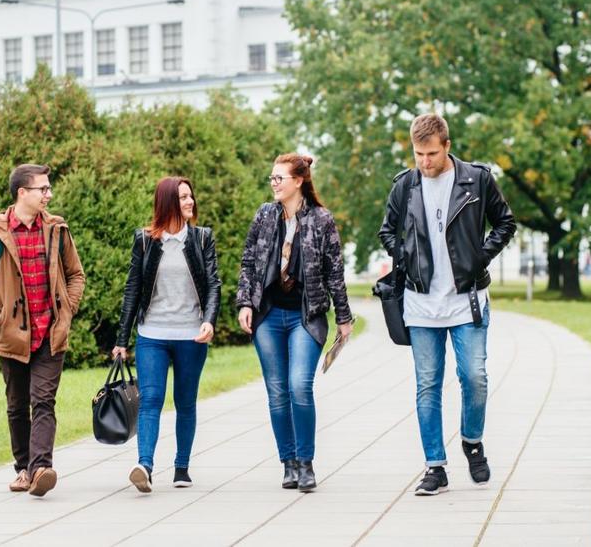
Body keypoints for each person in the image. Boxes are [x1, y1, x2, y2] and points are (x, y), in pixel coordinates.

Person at [378, 113, 516, 495]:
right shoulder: (405, 185)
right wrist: (405, 256)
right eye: (418, 154)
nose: (424, 162)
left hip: (467, 299)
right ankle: (434, 467)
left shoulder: (477, 179)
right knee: (427, 385)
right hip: (421, 304)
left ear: (448, 146)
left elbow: (505, 223)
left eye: (432, 154)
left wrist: (479, 257)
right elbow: (387, 229)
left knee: (475, 377)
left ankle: (472, 441)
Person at [0, 164, 86, 497]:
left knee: (43, 401)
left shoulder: (58, 229)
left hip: (50, 332)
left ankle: (41, 468)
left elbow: (76, 275)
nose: (49, 194)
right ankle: (23, 469)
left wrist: (67, 309)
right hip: (12, 334)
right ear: (22, 193)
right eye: (42, 189)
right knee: (17, 406)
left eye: (48, 189)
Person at [236, 153, 354, 493]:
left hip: (307, 314)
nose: (273, 184)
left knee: (299, 386)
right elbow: (247, 262)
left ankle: (306, 462)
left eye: (279, 178)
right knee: (276, 392)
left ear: (298, 181)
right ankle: (287, 463)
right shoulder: (264, 215)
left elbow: (335, 272)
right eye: (271, 178)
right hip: (268, 315)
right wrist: (245, 302)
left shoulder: (321, 219)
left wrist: (343, 318)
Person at [113, 177, 220, 493]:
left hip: (191, 335)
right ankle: (144, 466)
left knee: (185, 401)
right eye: (183, 197)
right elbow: (133, 288)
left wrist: (209, 321)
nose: (190, 202)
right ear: (168, 203)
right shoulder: (145, 240)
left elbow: (213, 284)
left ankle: (182, 467)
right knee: (151, 399)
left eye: (191, 196)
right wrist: (121, 339)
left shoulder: (202, 239)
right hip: (152, 334)